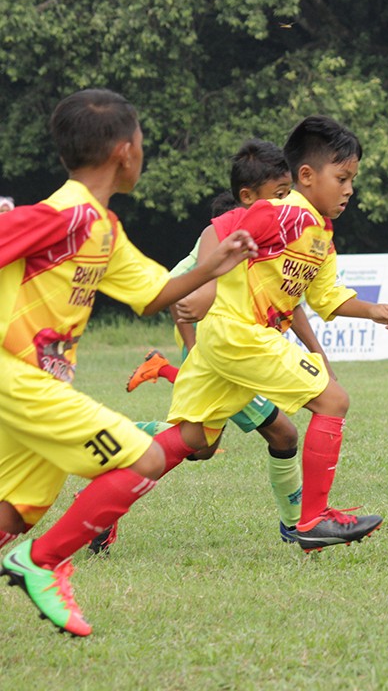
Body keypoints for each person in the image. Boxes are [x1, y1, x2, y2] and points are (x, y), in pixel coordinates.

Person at [0, 88, 257, 636]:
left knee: (16, 511)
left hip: (42, 385)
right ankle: (41, 562)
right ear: (124, 151)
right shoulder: (63, 217)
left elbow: (156, 293)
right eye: (141, 141)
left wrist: (213, 266)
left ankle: (30, 548)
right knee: (141, 458)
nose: (143, 151)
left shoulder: (100, 229)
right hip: (15, 377)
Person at [150, 115, 388, 555]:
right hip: (239, 335)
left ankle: (105, 489)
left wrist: (373, 312)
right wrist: (205, 288)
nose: (349, 189)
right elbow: (218, 229)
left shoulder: (320, 234)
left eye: (352, 180)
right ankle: (311, 520)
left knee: (196, 441)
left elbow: (326, 297)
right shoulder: (286, 211)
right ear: (307, 175)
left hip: (225, 343)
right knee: (333, 401)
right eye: (342, 178)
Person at [118, 140, 331, 550]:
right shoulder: (220, 241)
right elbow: (183, 303)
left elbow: (293, 302)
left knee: (200, 446)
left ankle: (124, 440)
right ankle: (298, 528)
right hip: (226, 353)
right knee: (278, 435)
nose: (289, 203)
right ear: (249, 198)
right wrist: (201, 352)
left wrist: (317, 353)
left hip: (242, 350)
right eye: (281, 194)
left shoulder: (276, 237)